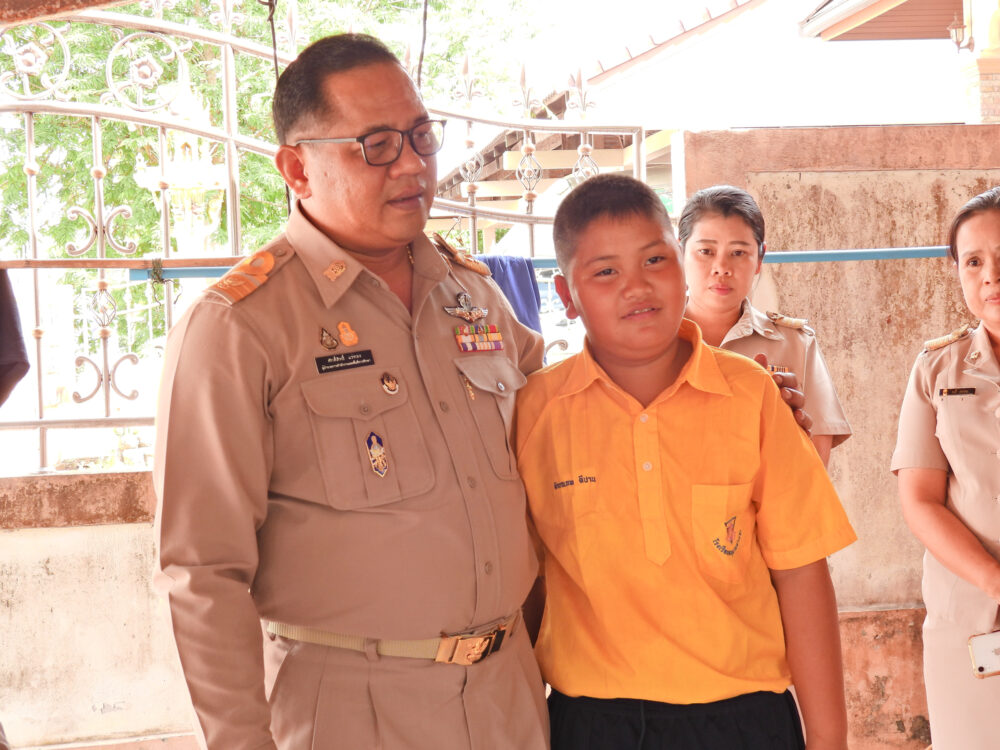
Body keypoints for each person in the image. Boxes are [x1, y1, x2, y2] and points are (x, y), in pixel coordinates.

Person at [153, 33, 549, 750]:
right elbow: (202, 571)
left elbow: (563, 431)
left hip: (508, 698)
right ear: (297, 168)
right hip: (352, 708)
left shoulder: (473, 296)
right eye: (377, 145)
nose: (413, 164)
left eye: (421, 136)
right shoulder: (240, 327)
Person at [515, 173, 856, 750]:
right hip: (591, 723)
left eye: (655, 260)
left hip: (745, 719)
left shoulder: (751, 395)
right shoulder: (535, 412)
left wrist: (829, 739)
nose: (637, 286)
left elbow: (801, 572)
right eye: (605, 271)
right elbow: (523, 587)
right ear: (566, 296)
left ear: (679, 265)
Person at [891, 185, 1000, 750]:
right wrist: (996, 582)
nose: (991, 276)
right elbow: (920, 501)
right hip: (971, 619)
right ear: (956, 270)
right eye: (974, 261)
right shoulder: (937, 368)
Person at [677, 185, 851, 466]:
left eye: (738, 252)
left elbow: (815, 461)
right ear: (680, 252)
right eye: (706, 251)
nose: (722, 267)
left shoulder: (795, 344)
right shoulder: (649, 343)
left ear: (760, 258)